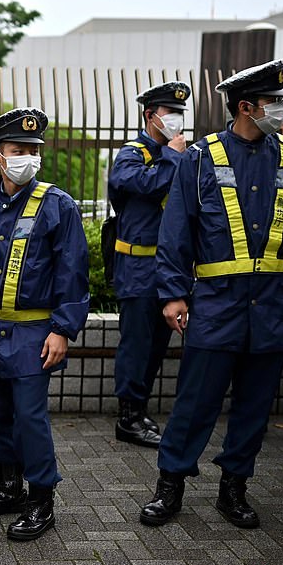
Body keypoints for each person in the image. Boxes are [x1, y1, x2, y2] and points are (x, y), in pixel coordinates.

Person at [140, 59, 283, 530]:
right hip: (216, 305)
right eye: (273, 103)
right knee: (195, 402)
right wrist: (173, 295)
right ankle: (170, 484)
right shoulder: (201, 157)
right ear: (246, 107)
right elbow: (176, 232)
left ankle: (235, 487)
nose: (281, 110)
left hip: (274, 305)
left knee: (254, 406)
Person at [0, 107, 89, 542]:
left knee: (29, 418)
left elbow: (73, 272)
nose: (27, 157)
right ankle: (8, 486)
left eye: (33, 150)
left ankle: (41, 498)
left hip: (33, 333)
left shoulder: (57, 205)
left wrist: (63, 329)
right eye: (17, 150)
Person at [108, 82, 190, 448]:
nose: (174, 120)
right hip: (137, 268)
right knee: (137, 345)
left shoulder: (179, 154)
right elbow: (141, 184)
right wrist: (172, 156)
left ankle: (140, 411)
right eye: (168, 113)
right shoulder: (132, 154)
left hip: (169, 269)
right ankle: (128, 417)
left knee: (157, 345)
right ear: (149, 116)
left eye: (179, 114)